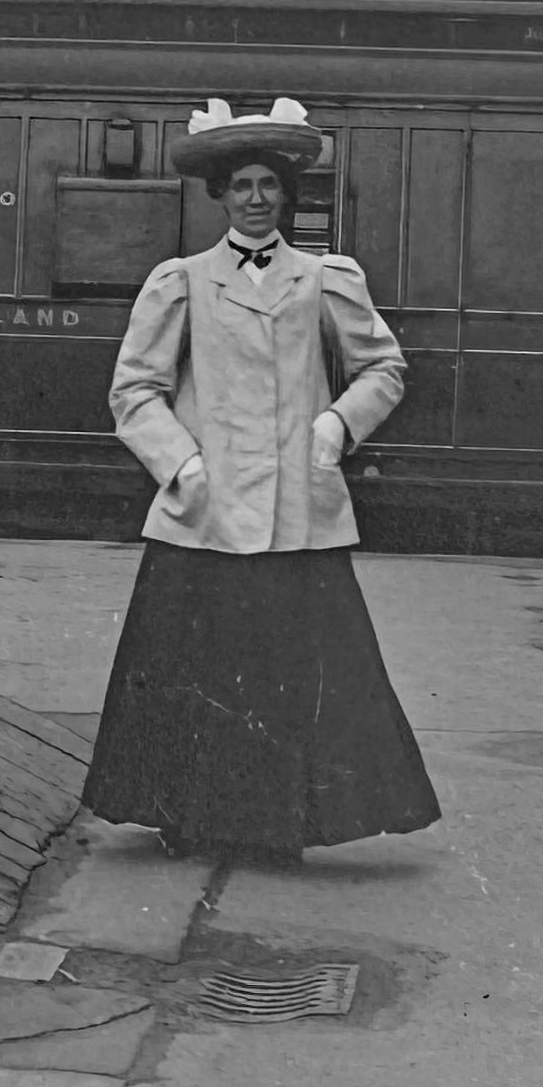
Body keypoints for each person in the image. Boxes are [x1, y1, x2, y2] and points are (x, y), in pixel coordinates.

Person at [82, 97, 441, 868]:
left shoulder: (324, 279)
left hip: (296, 515)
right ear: (219, 194)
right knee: (195, 674)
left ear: (286, 194)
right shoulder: (179, 281)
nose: (254, 197)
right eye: (240, 184)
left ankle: (283, 827)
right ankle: (190, 820)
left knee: (294, 677)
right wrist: (183, 463)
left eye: (267, 185)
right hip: (203, 514)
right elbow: (133, 391)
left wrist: (334, 428)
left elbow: (385, 368)